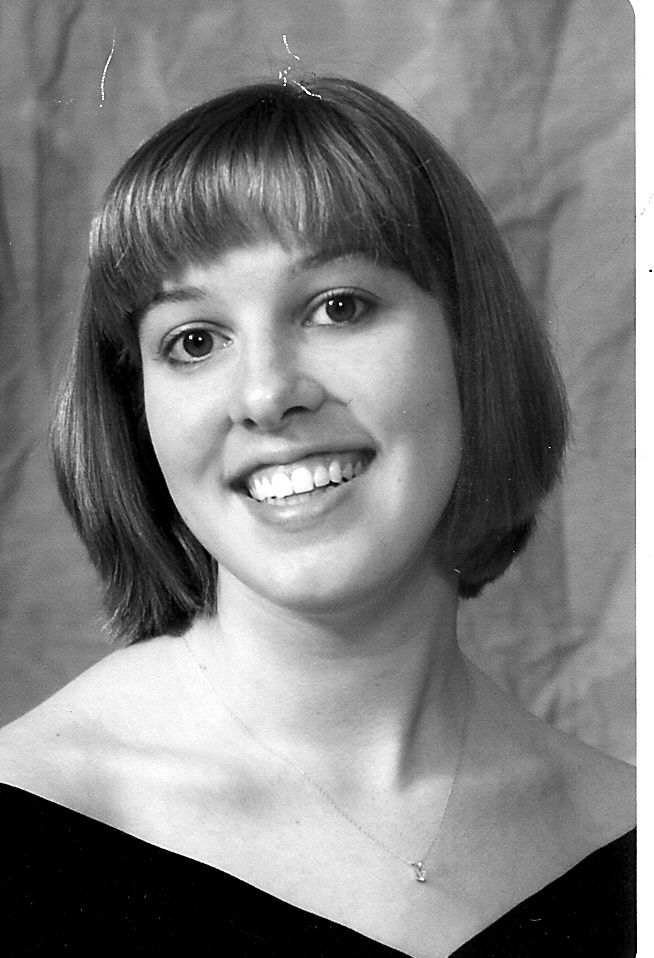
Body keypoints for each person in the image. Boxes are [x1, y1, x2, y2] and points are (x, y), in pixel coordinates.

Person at [0, 76, 634, 956]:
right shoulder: (24, 819)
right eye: (194, 340)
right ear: (135, 410)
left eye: (338, 307)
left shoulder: (628, 837)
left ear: (469, 344)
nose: (266, 395)